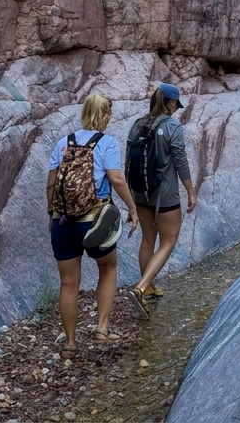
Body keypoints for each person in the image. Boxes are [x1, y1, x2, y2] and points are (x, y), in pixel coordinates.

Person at [46, 93, 139, 359]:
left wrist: (52, 216)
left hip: (63, 223)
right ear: (106, 115)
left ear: (84, 112)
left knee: (68, 283)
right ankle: (101, 329)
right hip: (93, 222)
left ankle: (70, 345)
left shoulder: (63, 143)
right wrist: (132, 209)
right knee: (107, 268)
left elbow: (51, 184)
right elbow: (117, 179)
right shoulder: (106, 143)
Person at [124, 83, 197, 317]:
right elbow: (180, 161)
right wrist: (191, 192)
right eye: (176, 104)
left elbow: (128, 163)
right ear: (171, 102)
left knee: (148, 238)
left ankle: (148, 287)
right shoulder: (173, 126)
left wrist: (131, 201)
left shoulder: (137, 125)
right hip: (164, 194)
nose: (176, 109)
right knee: (169, 240)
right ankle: (140, 288)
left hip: (140, 192)